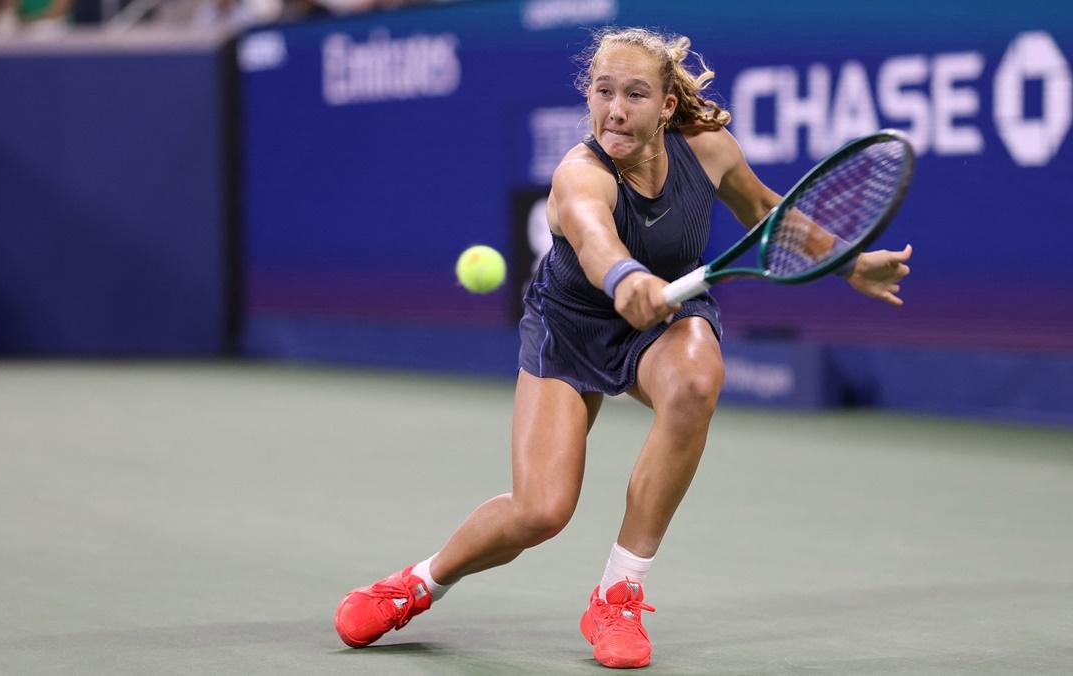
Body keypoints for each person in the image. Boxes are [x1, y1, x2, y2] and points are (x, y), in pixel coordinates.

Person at [333, 27, 913, 669]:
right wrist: (626, 278)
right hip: (572, 323)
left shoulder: (709, 149)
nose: (615, 109)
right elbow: (593, 238)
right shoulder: (579, 174)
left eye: (635, 94)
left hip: (665, 319)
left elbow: (766, 213)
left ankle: (618, 592)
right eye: (603, 91)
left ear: (666, 105)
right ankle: (420, 582)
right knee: (540, 512)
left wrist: (848, 265)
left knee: (696, 382)